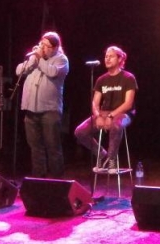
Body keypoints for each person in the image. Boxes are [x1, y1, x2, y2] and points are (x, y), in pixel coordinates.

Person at [74, 46, 137, 174]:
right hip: (104, 113)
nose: (107, 59)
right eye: (106, 56)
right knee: (80, 132)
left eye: (111, 56)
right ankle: (102, 154)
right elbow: (95, 102)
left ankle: (112, 159)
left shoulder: (128, 77)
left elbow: (128, 103)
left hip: (125, 114)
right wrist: (97, 116)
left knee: (116, 125)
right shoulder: (101, 79)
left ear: (120, 59)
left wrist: (111, 116)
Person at [15, 31, 70, 178]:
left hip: (50, 111)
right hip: (31, 110)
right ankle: (39, 179)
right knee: (35, 147)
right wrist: (33, 59)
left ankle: (57, 180)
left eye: (46, 46)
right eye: (41, 44)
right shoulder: (35, 58)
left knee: (53, 147)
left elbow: (52, 72)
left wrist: (39, 58)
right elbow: (19, 71)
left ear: (55, 47)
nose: (42, 48)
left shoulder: (61, 59)